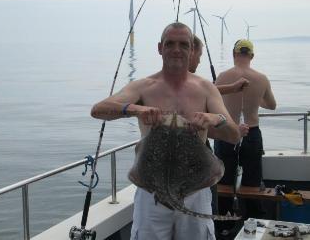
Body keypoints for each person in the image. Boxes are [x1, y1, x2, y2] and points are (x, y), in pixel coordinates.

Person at [91, 22, 241, 240]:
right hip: (152, 191)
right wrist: (135, 109)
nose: (176, 49)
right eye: (170, 43)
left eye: (183, 44)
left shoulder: (206, 88)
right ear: (160, 48)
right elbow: (98, 110)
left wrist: (214, 118)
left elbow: (234, 134)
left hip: (194, 190)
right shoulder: (143, 86)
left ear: (191, 50)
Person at [214, 39, 276, 237]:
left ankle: (223, 226)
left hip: (226, 133)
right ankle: (254, 226)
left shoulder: (223, 76)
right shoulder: (262, 78)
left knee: (224, 181)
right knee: (252, 182)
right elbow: (272, 105)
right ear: (252, 56)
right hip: (252, 133)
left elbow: (211, 103)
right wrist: (256, 100)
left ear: (234, 53)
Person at [189, 35, 250, 216]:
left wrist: (231, 87)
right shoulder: (191, 84)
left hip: (198, 153)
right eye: (199, 56)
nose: (199, 61)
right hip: (198, 156)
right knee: (209, 202)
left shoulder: (196, 83)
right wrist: (232, 129)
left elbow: (207, 88)